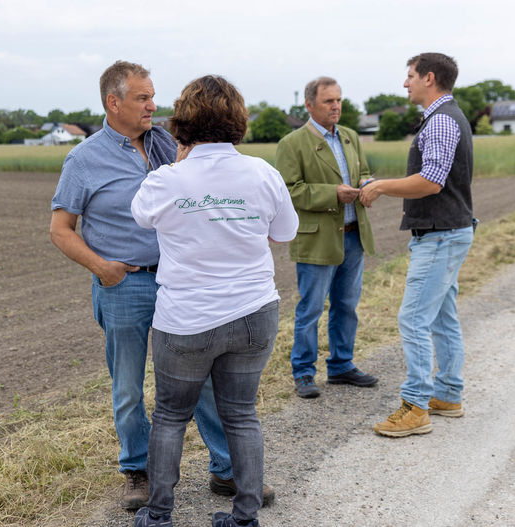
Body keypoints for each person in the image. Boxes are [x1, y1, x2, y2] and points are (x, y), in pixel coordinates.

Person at [50, 61, 274, 510]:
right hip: (126, 285)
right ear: (114, 103)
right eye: (142, 98)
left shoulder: (170, 144)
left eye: (153, 96)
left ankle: (226, 470)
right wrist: (103, 267)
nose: (153, 105)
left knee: (208, 380)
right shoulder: (84, 159)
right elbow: (60, 228)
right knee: (129, 385)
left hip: (182, 284)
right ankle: (138, 471)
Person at [130, 75, 298, 527]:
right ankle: (245, 517)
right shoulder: (263, 173)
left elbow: (143, 217)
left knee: (170, 415)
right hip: (253, 312)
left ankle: (159, 514)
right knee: (242, 414)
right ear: (238, 120)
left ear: (182, 124)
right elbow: (283, 233)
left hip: (186, 318)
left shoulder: (167, 179)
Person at [361, 53, 475, 437]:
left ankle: (416, 406)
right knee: (442, 317)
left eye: (409, 76)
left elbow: (431, 181)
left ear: (429, 78)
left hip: (440, 234)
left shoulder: (441, 120)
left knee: (412, 319)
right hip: (449, 230)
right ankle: (448, 394)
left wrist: (380, 185)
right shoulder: (445, 116)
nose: (404, 83)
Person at [273, 77, 378, 399]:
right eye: (329, 101)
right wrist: (333, 193)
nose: (336, 106)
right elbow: (289, 192)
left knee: (347, 306)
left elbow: (360, 171)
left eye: (339, 100)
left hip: (352, 236)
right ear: (309, 105)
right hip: (317, 240)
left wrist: (367, 183)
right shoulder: (292, 143)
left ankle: (341, 365)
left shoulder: (349, 137)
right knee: (311, 309)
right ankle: (303, 372)